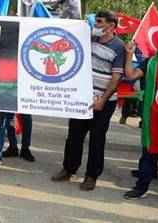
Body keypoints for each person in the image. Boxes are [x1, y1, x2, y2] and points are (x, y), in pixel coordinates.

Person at [51, 10, 125, 190]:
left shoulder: (119, 47)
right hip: (82, 98)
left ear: (111, 26)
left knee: (97, 139)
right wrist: (84, 28)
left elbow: (115, 78)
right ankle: (69, 168)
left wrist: (103, 99)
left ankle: (92, 176)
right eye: (96, 22)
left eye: (100, 22)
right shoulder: (89, 39)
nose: (97, 25)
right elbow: (66, 42)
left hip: (103, 101)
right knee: (74, 135)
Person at [122, 28, 158, 201]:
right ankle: (141, 188)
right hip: (154, 119)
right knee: (148, 155)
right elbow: (130, 76)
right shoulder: (151, 62)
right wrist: (129, 55)